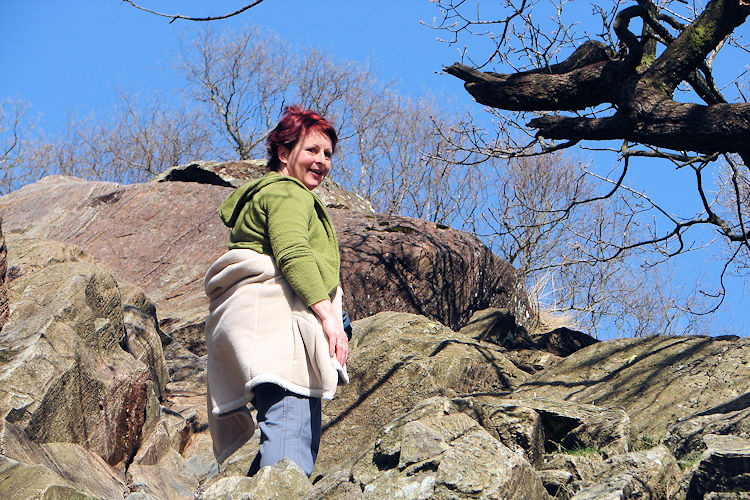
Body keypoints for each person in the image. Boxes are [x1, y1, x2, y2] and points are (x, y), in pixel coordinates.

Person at [203, 105, 349, 477]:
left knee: (289, 431)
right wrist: (330, 318)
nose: (321, 161)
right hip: (277, 331)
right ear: (284, 154)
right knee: (290, 431)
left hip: (255, 328)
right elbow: (294, 252)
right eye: (311, 150)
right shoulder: (287, 192)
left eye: (328, 154)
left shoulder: (270, 193)